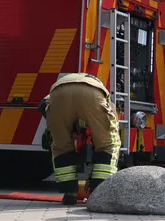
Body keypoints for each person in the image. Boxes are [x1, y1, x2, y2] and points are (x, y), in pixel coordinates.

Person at [39, 73, 121, 204]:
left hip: (58, 94)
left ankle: (69, 194)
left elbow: (42, 106)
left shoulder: (53, 94)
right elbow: (108, 123)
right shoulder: (104, 95)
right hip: (91, 94)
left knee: (61, 147)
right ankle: (99, 192)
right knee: (109, 144)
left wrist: (62, 129)